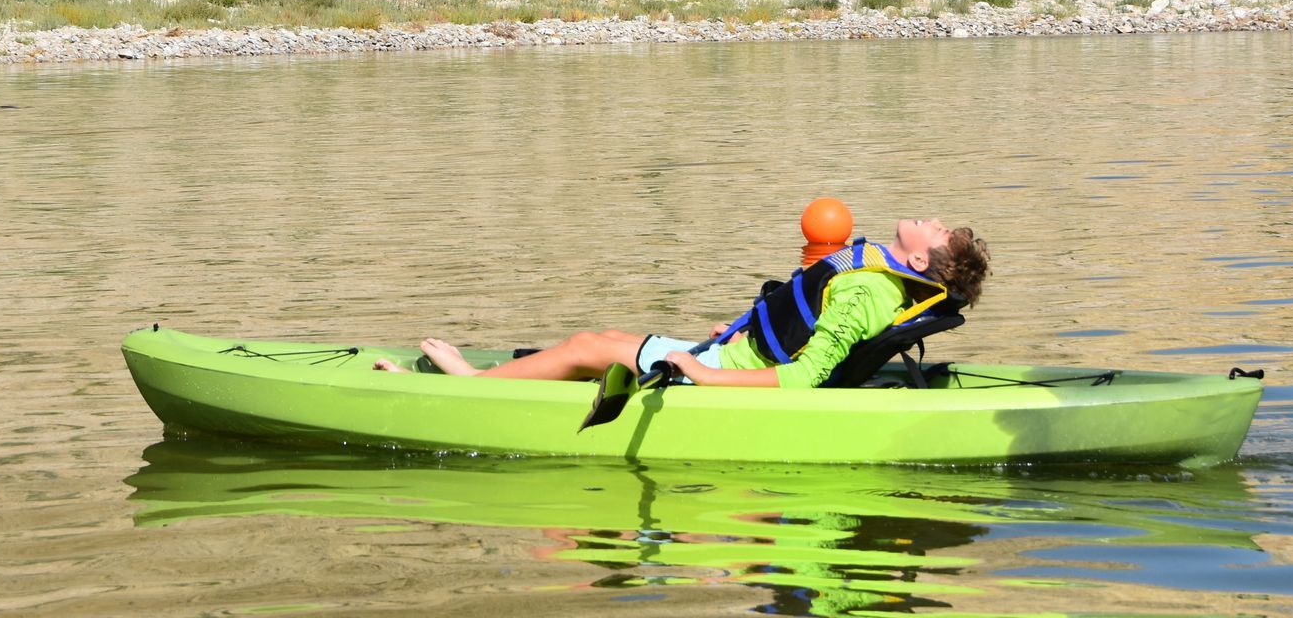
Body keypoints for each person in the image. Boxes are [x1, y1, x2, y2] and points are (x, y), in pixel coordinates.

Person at [375, 218, 989, 389]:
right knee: (605, 346)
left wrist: (699, 370)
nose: (932, 220)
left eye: (938, 232)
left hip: (731, 371)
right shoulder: (878, 282)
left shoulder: (865, 290)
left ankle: (471, 384)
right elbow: (805, 335)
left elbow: (804, 377)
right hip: (739, 353)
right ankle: (511, 381)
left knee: (590, 345)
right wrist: (747, 333)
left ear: (916, 261)